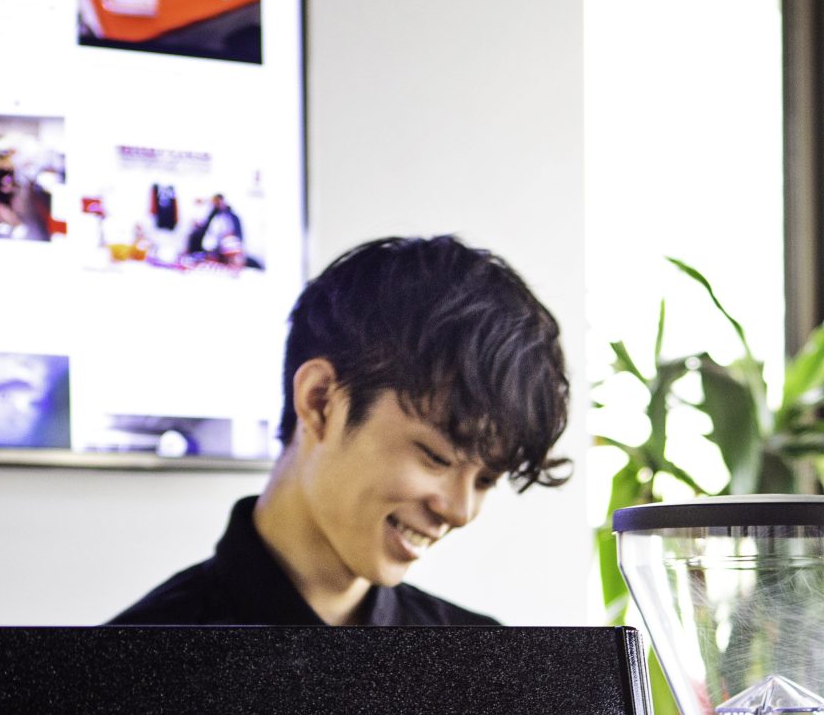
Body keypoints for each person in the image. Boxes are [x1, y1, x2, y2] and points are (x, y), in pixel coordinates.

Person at [112, 234, 571, 625]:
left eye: (486, 480)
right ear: (320, 401)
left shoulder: (484, 664)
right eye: (436, 458)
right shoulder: (125, 672)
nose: (459, 511)